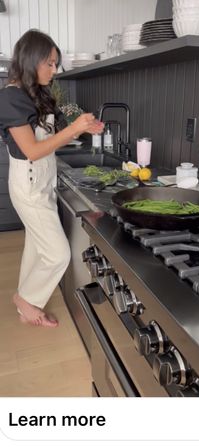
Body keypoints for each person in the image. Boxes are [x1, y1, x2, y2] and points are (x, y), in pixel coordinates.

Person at [0, 29, 104, 327]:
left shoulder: (36, 94)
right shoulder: (10, 98)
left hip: (43, 183)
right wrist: (74, 130)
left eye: (55, 63)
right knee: (58, 253)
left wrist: (84, 127)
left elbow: (54, 135)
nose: (53, 70)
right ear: (31, 60)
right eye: (49, 63)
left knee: (37, 246)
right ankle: (24, 299)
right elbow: (32, 150)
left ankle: (27, 306)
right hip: (29, 186)